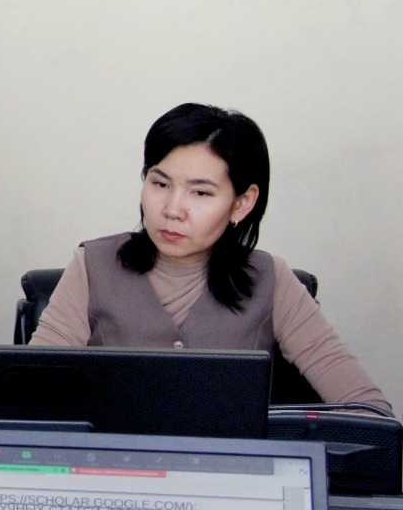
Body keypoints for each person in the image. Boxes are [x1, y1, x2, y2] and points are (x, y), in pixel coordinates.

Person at [31, 102, 393, 414]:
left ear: (242, 203)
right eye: (160, 184)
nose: (172, 210)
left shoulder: (271, 279)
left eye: (201, 193)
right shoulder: (93, 266)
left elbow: (368, 412)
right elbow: (27, 396)